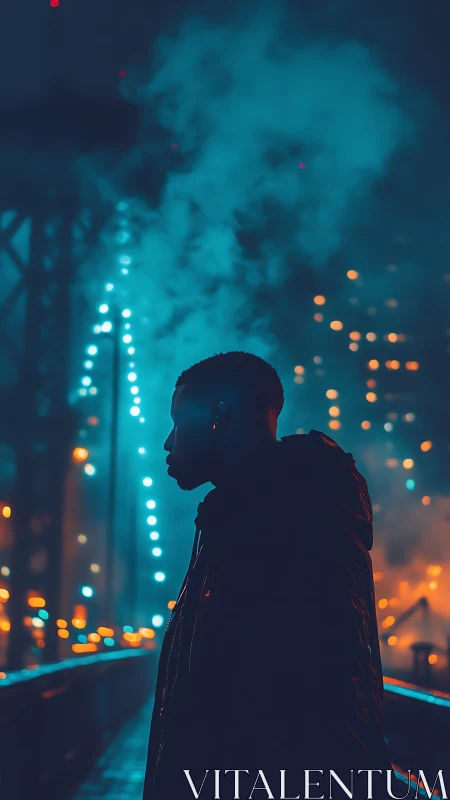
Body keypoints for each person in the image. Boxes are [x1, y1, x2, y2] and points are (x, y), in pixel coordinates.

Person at [143, 351, 393, 800]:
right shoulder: (266, 517)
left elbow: (281, 717)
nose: (167, 442)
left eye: (178, 421)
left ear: (220, 414)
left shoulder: (279, 532)